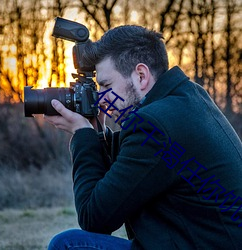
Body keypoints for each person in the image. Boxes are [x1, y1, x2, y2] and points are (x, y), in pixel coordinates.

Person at [45, 25, 242, 250]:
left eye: (106, 85)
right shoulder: (188, 97)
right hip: (205, 241)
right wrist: (97, 133)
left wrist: (82, 135)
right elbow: (131, 172)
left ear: (141, 75)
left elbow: (95, 219)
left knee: (68, 244)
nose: (101, 99)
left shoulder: (153, 125)